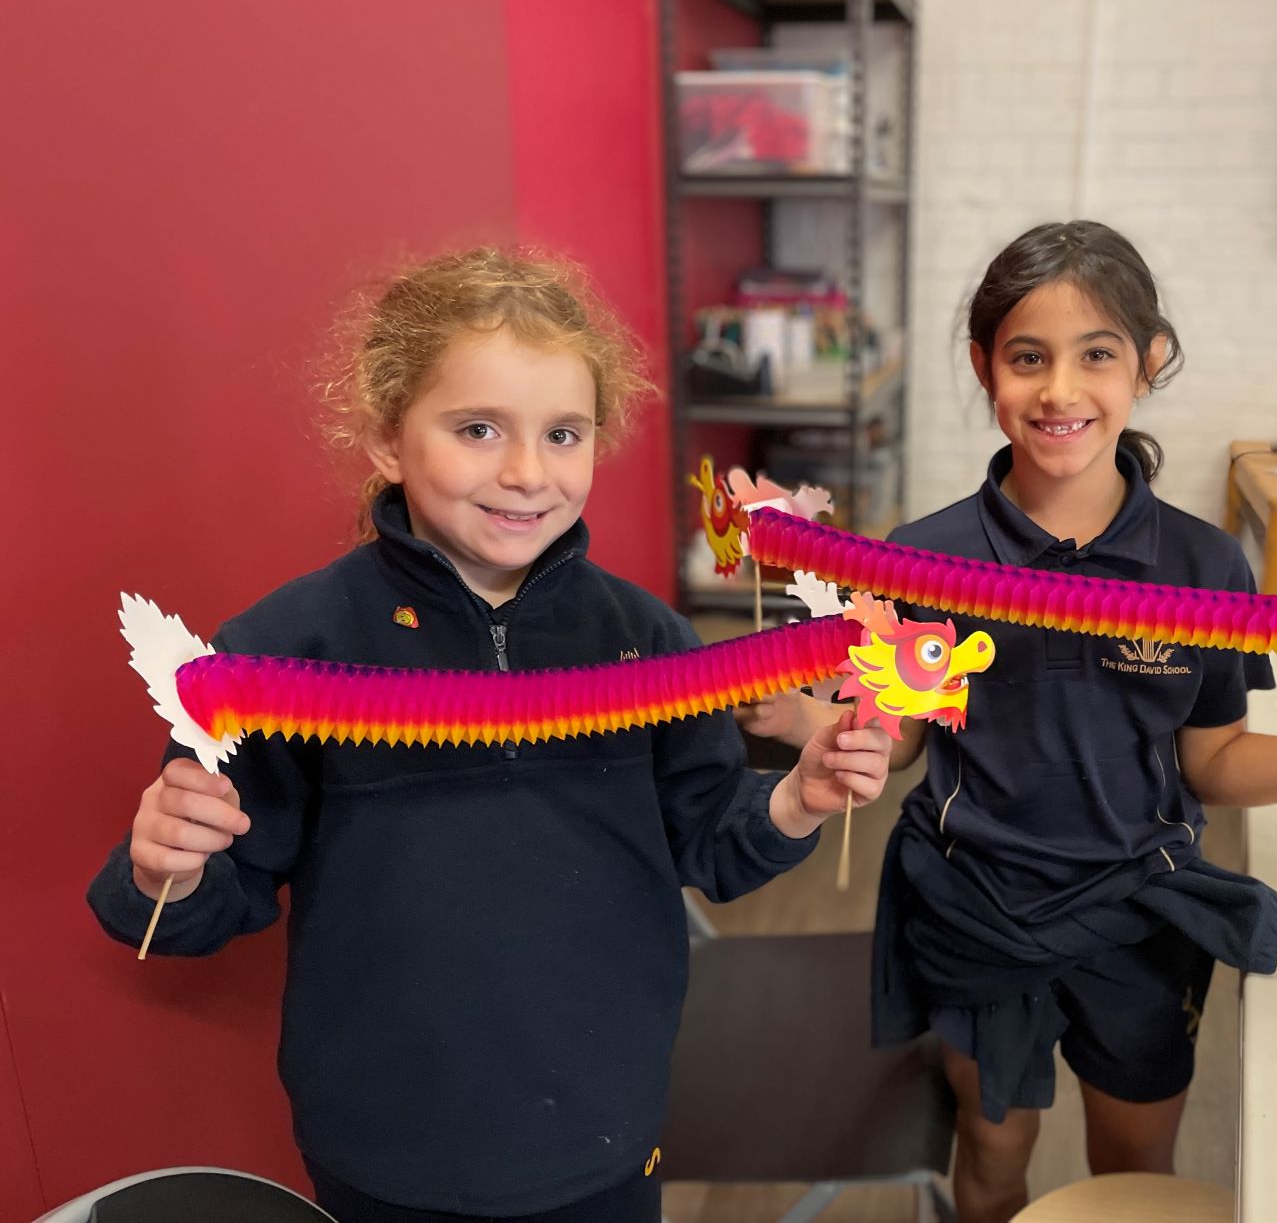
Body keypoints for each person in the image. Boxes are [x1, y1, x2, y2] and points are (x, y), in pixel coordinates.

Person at [88, 247, 893, 1223]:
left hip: (602, 1130)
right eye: (478, 429)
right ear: (387, 437)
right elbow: (202, 904)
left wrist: (798, 799)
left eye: (563, 434)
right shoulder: (282, 649)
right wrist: (163, 872)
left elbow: (711, 843)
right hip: (384, 1150)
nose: (526, 473)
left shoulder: (647, 640)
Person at [738, 221, 1277, 1222]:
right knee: (992, 1153)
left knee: (1134, 1174)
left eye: (1096, 355)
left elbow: (1212, 761)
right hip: (977, 908)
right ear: (983, 367)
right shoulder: (922, 556)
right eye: (1027, 358)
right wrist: (808, 721)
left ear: (1148, 362)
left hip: (1140, 916)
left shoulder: (1204, 566)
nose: (1059, 391)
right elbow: (901, 741)